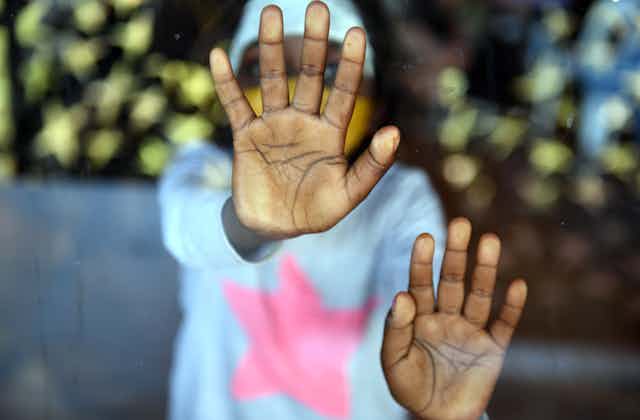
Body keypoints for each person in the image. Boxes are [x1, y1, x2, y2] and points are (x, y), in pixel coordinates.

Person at [159, 1, 527, 419]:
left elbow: (417, 317)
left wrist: (443, 403)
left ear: (377, 94)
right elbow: (185, 228)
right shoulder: (205, 168)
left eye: (332, 72)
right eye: (265, 69)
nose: (300, 89)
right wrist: (249, 222)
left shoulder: (399, 199)